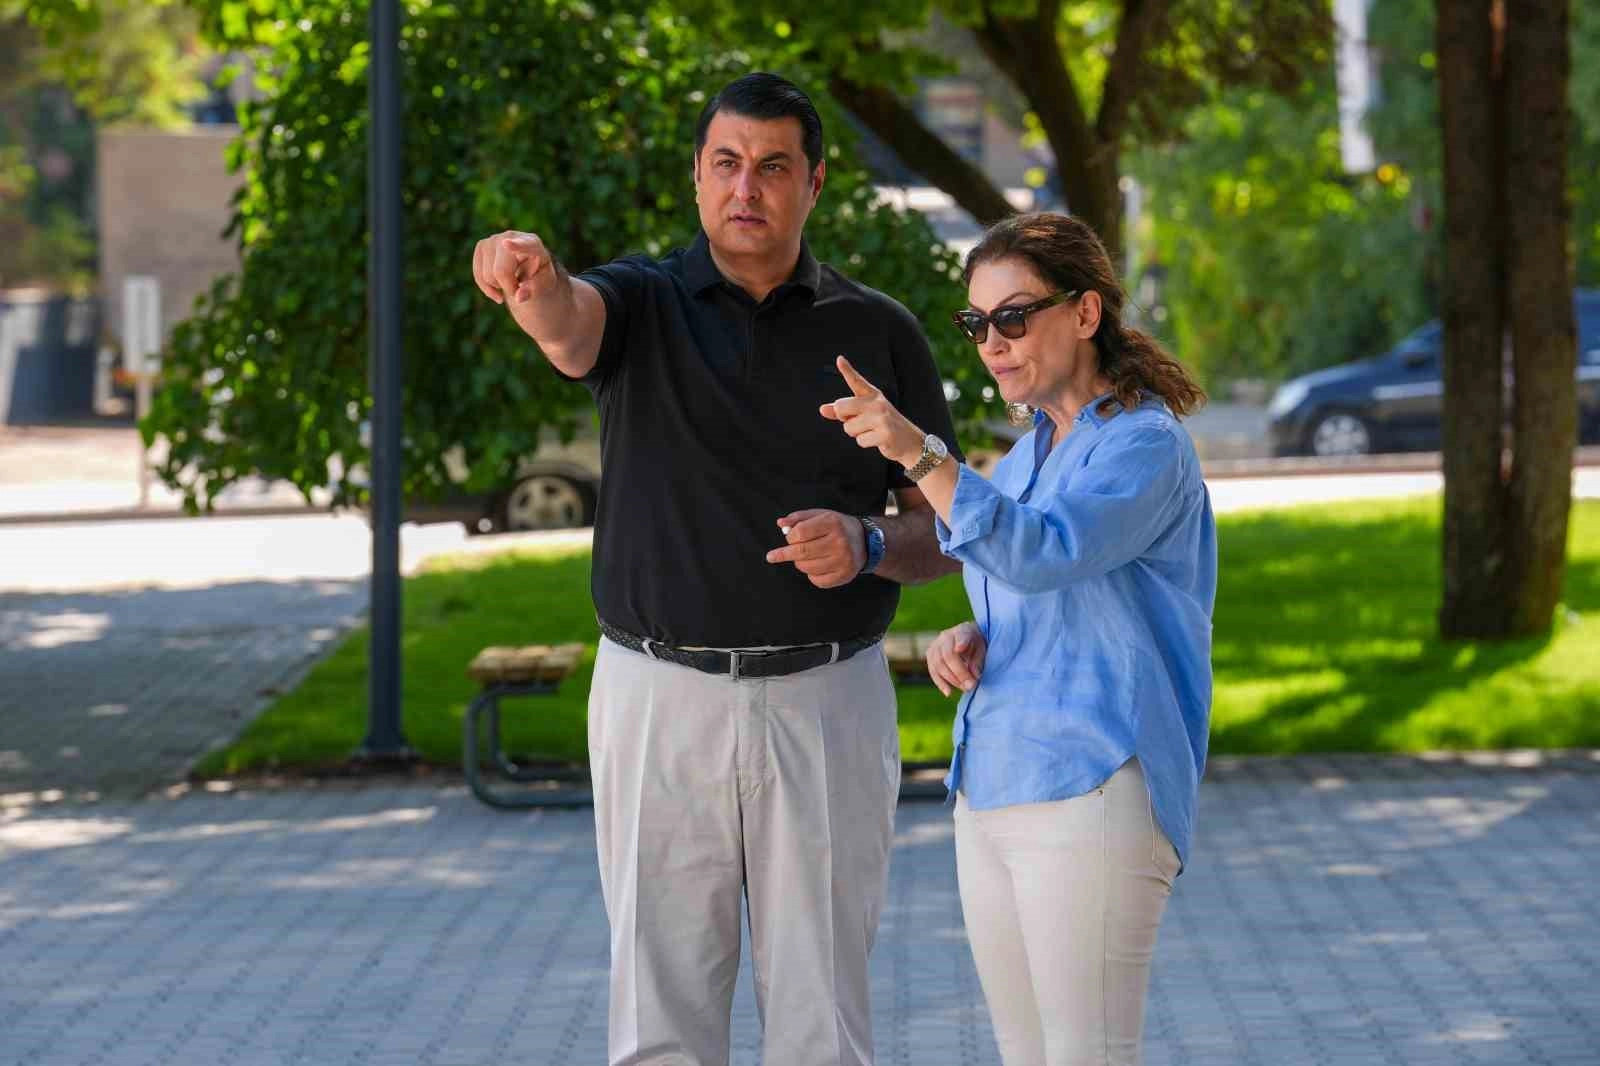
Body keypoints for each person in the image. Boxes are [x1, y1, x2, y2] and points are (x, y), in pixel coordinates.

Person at [469, 73, 963, 1066]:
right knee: (661, 1022)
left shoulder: (878, 331)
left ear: (813, 184)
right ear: (697, 176)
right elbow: (568, 324)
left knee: (824, 1021)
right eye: (727, 163)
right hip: (659, 698)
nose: (747, 188)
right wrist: (529, 277)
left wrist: (867, 544)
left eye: (773, 167)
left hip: (828, 701)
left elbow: (947, 528)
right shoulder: (640, 302)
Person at [821, 211, 1215, 1066]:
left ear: (1086, 312)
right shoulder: (1032, 451)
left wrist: (919, 453)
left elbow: (1045, 552)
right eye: (977, 322)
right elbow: (1037, 583)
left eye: (1014, 316)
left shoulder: (1144, 445)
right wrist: (974, 632)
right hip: (993, 786)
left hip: (1093, 785)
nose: (992, 343)